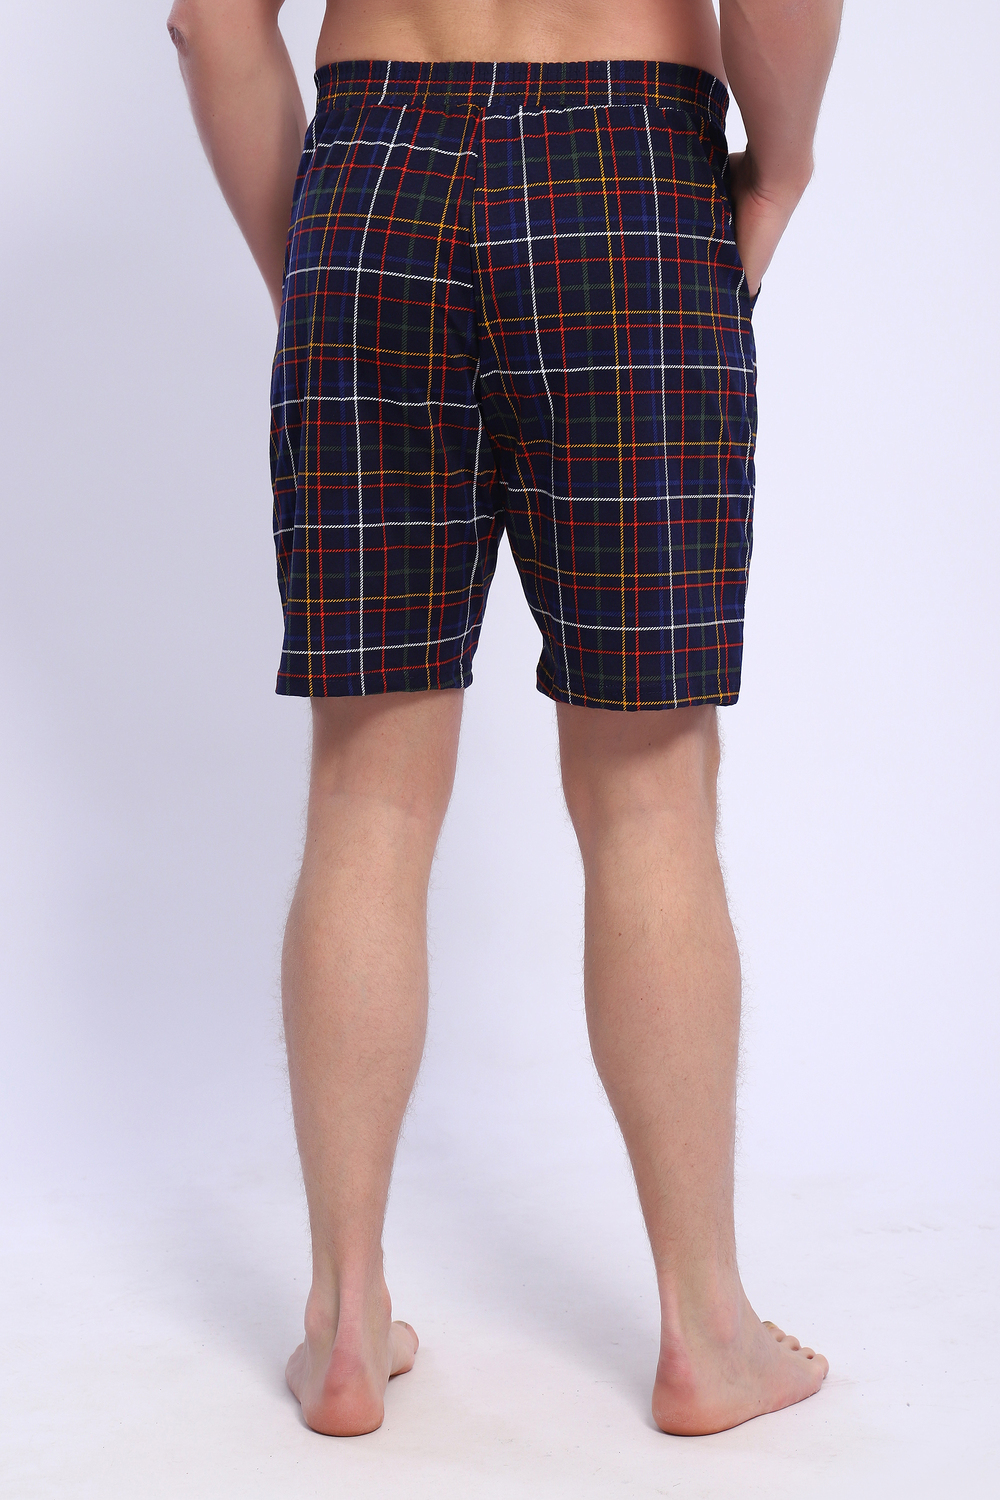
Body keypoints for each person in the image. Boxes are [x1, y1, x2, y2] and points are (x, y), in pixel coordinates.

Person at [167, 0, 842, 1438]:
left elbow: (209, 21)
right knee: (649, 792)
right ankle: (706, 1331)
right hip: (628, 182)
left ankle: (345, 1319)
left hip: (372, 176)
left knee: (366, 790)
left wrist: (330, 260)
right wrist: (779, 169)